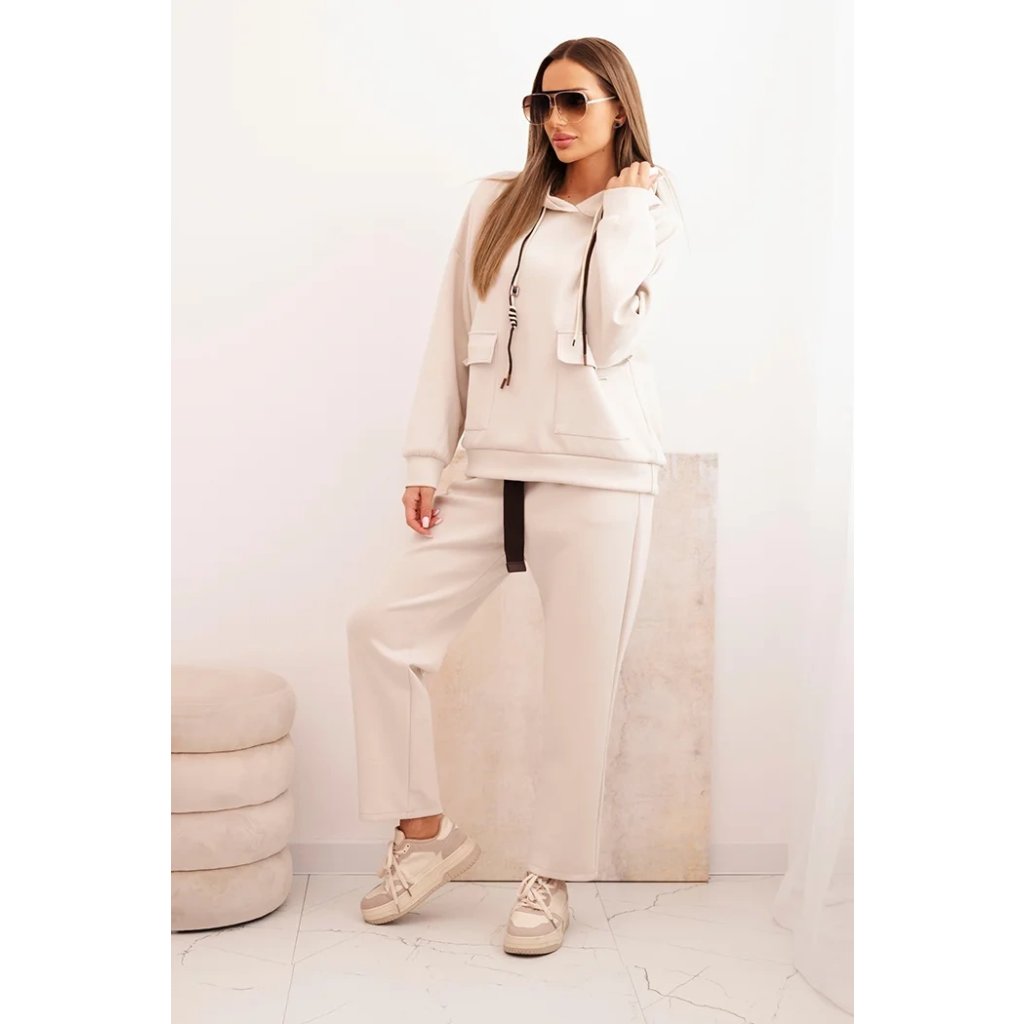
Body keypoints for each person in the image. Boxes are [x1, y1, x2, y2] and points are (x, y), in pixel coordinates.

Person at [346, 36, 685, 957]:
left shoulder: (650, 213)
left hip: (603, 475)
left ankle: (551, 874)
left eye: (575, 101)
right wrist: (427, 457)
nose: (556, 120)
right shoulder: (496, 203)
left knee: (578, 689)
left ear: (619, 107)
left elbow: (609, 335)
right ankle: (425, 835)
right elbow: (450, 329)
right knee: (380, 633)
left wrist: (623, 210)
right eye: (543, 103)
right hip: (491, 468)